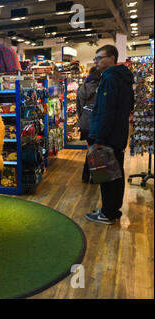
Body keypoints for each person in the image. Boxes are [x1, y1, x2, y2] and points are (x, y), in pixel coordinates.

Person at [85, 45, 134, 225]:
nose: (96, 61)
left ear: (111, 58)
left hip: (108, 137)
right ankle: (111, 210)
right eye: (95, 58)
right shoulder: (123, 78)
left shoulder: (110, 79)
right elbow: (129, 105)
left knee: (107, 177)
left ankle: (107, 213)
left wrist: (99, 139)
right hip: (118, 134)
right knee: (115, 174)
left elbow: (106, 111)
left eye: (99, 57)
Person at [76, 67, 101, 183]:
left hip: (85, 124)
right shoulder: (100, 87)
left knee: (91, 149)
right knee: (95, 149)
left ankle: (86, 176)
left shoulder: (82, 88)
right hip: (96, 123)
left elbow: (79, 108)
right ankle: (93, 177)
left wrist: (82, 119)